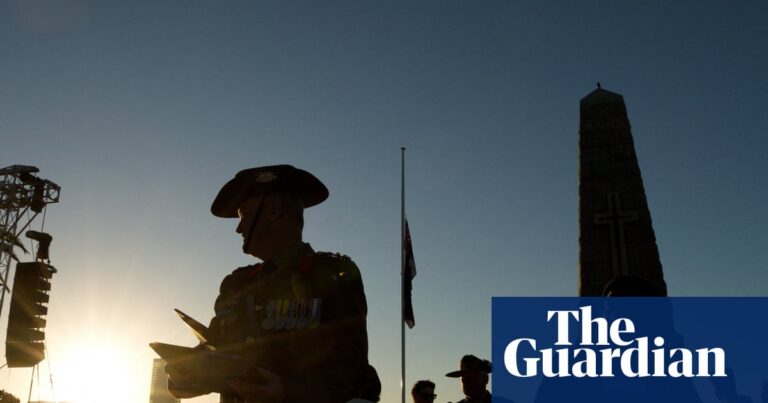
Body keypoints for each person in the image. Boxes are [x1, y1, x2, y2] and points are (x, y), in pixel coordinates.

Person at [165, 164, 380, 403]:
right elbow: (216, 357)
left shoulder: (333, 274)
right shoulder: (236, 284)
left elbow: (353, 374)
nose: (239, 228)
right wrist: (184, 374)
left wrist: (287, 391)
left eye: (244, 214)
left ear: (274, 210)